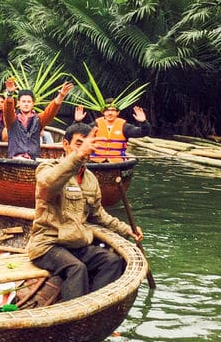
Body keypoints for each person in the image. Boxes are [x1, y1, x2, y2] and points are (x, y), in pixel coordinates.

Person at [26, 122, 144, 302]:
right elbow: (47, 184)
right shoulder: (48, 168)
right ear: (66, 145)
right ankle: (73, 312)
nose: (84, 150)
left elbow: (98, 215)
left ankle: (97, 305)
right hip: (48, 244)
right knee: (77, 269)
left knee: (112, 261)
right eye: (78, 144)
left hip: (76, 244)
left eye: (87, 145)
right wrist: (78, 156)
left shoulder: (90, 179)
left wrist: (127, 229)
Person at [3, 82, 73, 159]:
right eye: (23, 101)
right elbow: (8, 110)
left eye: (29, 102)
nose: (26, 104)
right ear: (18, 103)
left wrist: (61, 96)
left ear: (33, 103)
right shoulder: (12, 119)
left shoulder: (38, 119)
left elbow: (50, 112)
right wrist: (10, 94)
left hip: (34, 159)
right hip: (15, 158)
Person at [73, 100, 152, 162]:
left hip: (118, 162)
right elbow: (77, 133)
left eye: (113, 110)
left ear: (118, 112)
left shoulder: (124, 126)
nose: (110, 113)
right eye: (107, 110)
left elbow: (143, 133)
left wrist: (143, 122)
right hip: (95, 161)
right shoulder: (95, 125)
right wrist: (77, 121)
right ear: (103, 112)